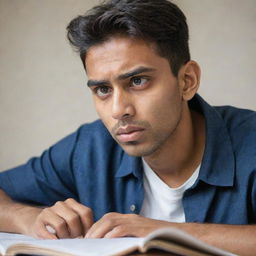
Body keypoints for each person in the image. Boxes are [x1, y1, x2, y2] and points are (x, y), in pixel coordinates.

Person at [0, 0, 255, 255]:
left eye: (138, 81)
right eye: (103, 89)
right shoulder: (90, 148)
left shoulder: (250, 141)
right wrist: (26, 217)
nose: (118, 110)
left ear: (187, 81)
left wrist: (163, 233)